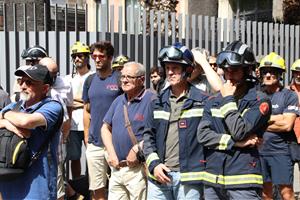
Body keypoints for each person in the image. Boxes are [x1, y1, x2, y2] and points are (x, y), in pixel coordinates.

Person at [197, 41, 272, 200]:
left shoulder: (260, 101)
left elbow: (239, 131)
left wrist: (228, 100)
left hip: (243, 181)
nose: (229, 75)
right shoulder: (213, 100)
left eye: (235, 70)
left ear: (247, 70)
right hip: (213, 180)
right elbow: (202, 135)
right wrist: (235, 143)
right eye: (226, 70)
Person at [143, 43, 210, 199]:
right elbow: (148, 137)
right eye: (167, 68)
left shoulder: (203, 101)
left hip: (189, 178)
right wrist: (154, 165)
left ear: (187, 70)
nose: (170, 72)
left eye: (175, 68)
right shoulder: (157, 102)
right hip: (159, 177)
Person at [0, 64, 63, 199]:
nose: (23, 86)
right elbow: (18, 123)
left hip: (37, 190)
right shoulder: (15, 106)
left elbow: (26, 122)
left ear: (45, 88)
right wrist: (7, 123)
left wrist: (4, 114)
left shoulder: (53, 107)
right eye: (21, 81)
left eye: (29, 83)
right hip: (9, 186)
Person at [101, 62, 154, 200]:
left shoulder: (152, 100)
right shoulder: (118, 100)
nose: (124, 80)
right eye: (122, 76)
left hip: (138, 170)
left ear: (141, 80)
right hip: (117, 169)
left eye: (129, 77)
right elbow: (105, 128)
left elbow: (158, 132)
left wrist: (138, 148)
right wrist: (112, 154)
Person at [83, 41, 123, 200]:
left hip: (116, 143)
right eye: (94, 56)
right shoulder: (90, 80)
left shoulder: (120, 78)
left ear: (110, 57)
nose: (97, 59)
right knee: (97, 188)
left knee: (118, 187)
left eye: (101, 56)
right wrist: (86, 136)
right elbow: (87, 110)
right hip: (94, 143)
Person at [258, 52, 298, 200]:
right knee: (265, 193)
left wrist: (260, 122)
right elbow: (247, 122)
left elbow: (287, 125)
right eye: (265, 72)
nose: (268, 75)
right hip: (260, 151)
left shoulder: (289, 95)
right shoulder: (257, 95)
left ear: (280, 74)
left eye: (273, 71)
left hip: (281, 152)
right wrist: (277, 117)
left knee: (286, 193)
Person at [39, 57, 74, 200]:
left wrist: (64, 138)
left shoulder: (57, 92)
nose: (53, 78)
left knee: (56, 186)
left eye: (55, 74)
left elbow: (67, 116)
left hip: (53, 149)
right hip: (34, 154)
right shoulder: (30, 88)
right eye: (50, 74)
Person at [66, 41, 93, 180]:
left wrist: (75, 101)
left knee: (92, 156)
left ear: (87, 57)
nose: (77, 59)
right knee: (74, 158)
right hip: (73, 125)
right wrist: (84, 101)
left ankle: (92, 186)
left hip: (91, 124)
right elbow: (67, 102)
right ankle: (77, 186)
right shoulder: (68, 79)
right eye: (74, 56)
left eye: (80, 55)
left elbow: (93, 101)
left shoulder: (94, 77)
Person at [289, 59, 300, 199]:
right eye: (296, 72)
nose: (299, 75)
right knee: (287, 176)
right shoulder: (286, 91)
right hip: (290, 139)